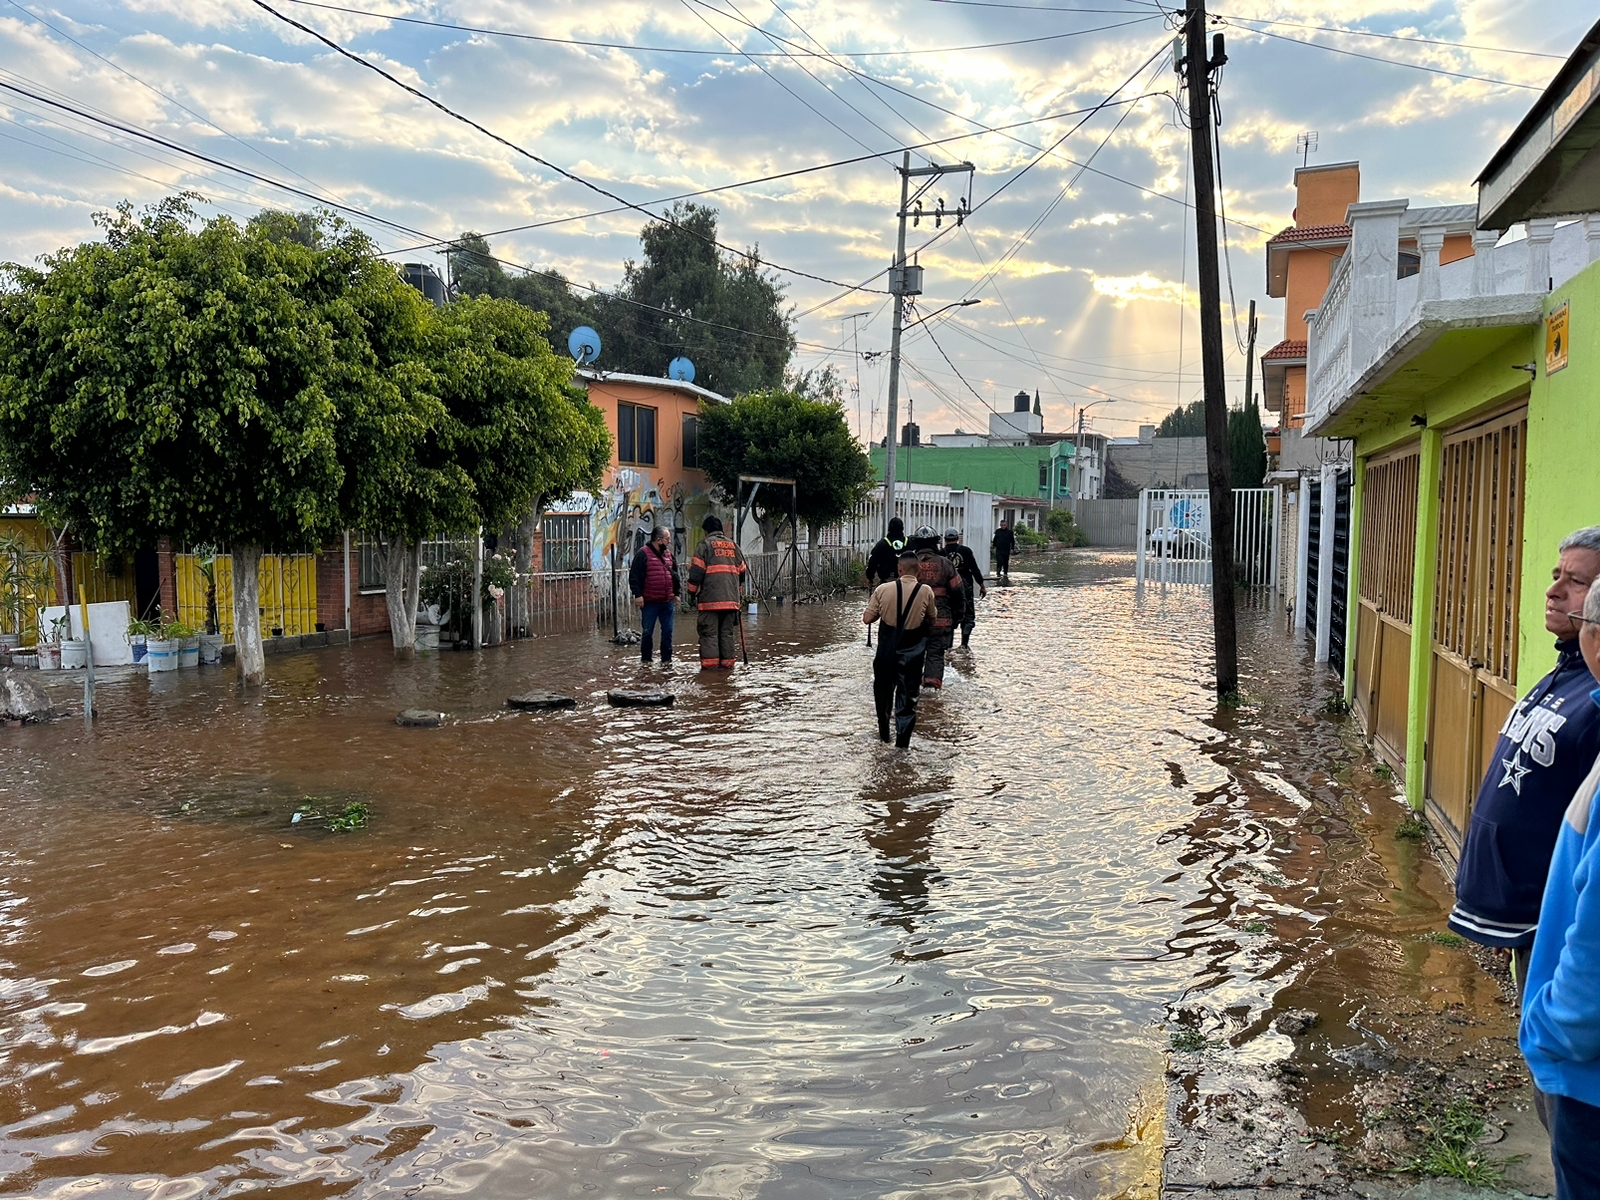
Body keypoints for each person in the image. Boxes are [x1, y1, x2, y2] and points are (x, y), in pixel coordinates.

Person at [1450, 527, 1600, 998]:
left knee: (1554, 1050)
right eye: (1557, 575)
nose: (1553, 591)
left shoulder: (1594, 698)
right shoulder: (1562, 675)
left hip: (1556, 925)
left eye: (1575, 582)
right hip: (1522, 917)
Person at [1519, 575, 1600, 1199]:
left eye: (1577, 583)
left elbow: (1594, 947)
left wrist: (1551, 1031)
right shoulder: (1568, 686)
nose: (1556, 591)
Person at [863, 552, 935, 746]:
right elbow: (932, 619)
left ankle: (884, 736)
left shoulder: (883, 589)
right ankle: (902, 747)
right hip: (913, 654)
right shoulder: (926, 591)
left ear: (899, 569)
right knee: (907, 701)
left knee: (883, 695)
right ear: (918, 570)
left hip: (886, 652)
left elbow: (867, 619)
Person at [686, 514, 747, 671]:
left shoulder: (704, 545)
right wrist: (737, 590)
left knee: (709, 635)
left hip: (710, 602)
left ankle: (711, 674)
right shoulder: (734, 546)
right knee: (727, 635)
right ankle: (727, 670)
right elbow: (742, 571)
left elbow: (696, 574)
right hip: (732, 602)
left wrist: (691, 594)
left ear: (707, 531)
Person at [908, 524, 962, 690]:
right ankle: (932, 696)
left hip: (912, 622)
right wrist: (958, 617)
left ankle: (912, 689)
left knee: (912, 656)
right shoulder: (945, 564)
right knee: (935, 655)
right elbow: (958, 593)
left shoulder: (907, 564)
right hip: (940, 621)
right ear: (936, 543)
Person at [628, 524, 680, 665]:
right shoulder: (643, 554)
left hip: (667, 602)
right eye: (667, 539)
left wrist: (676, 593)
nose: (669, 542)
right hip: (650, 603)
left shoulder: (668, 554)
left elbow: (675, 574)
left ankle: (666, 661)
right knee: (647, 633)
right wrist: (638, 595)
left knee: (668, 632)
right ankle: (646, 661)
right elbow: (634, 577)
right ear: (658, 540)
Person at [942, 527, 987, 649]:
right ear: (957, 538)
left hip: (948, 588)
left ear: (945, 539)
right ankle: (964, 645)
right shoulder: (966, 551)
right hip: (965, 586)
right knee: (968, 616)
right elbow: (975, 570)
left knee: (949, 615)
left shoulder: (941, 553)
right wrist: (982, 586)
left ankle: (948, 647)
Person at [866, 517, 907, 587]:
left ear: (889, 528)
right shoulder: (908, 542)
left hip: (887, 581)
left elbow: (873, 562)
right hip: (906, 581)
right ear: (902, 528)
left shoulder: (882, 544)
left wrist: (870, 577)